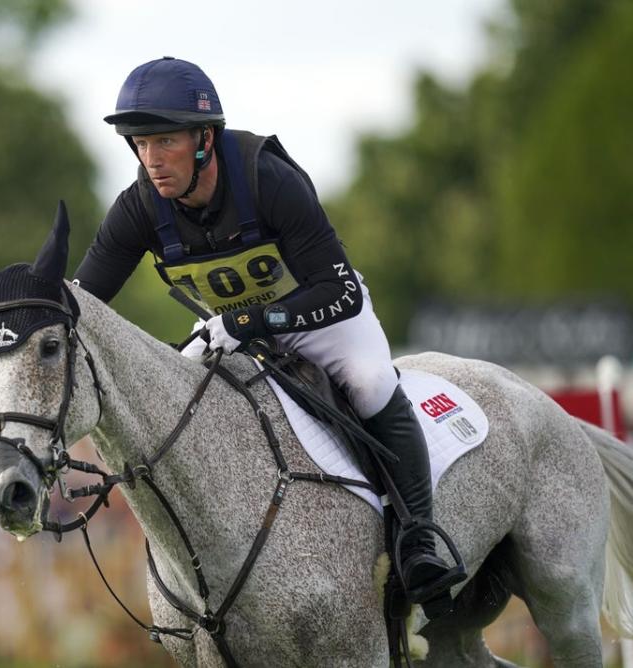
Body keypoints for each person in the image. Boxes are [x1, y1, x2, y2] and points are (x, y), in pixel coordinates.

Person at [73, 56, 463, 615]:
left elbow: (340, 291)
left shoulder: (267, 179)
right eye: (139, 144)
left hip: (319, 317)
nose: (150, 161)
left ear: (205, 138)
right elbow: (84, 302)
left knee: (372, 381)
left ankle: (420, 540)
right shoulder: (139, 207)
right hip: (233, 331)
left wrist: (249, 321)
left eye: (164, 142)